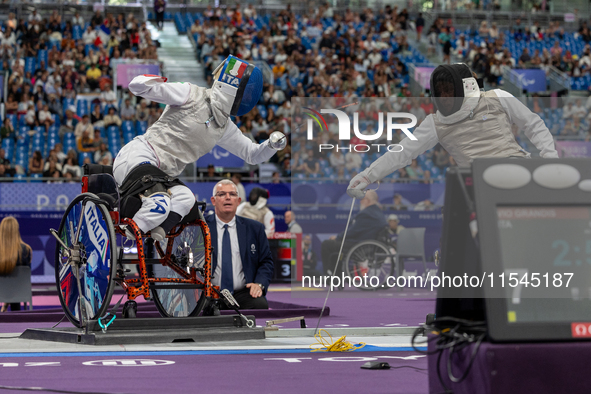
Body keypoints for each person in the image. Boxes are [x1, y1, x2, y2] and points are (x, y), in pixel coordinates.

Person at [113, 56, 284, 242]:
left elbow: (252, 154)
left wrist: (272, 145)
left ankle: (156, 233)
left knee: (186, 198)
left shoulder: (223, 127)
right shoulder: (190, 94)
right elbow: (136, 86)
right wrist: (151, 81)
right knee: (160, 203)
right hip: (139, 158)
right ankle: (127, 234)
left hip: (160, 178)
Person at [347, 63, 559, 198]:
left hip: (517, 169)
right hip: (479, 185)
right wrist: (367, 176)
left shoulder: (497, 97)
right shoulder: (435, 123)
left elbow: (533, 124)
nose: (444, 98)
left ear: (463, 88)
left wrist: (550, 159)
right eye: (439, 93)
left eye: (449, 91)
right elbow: (403, 152)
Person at [205, 179, 274, 310]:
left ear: (238, 201)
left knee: (260, 305)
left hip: (242, 292)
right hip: (208, 292)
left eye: (232, 194)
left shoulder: (255, 228)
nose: (227, 198)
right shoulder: (200, 227)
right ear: (213, 201)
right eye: (221, 194)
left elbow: (266, 262)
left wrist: (259, 284)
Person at [321, 190, 387, 275]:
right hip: (368, 245)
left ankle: (328, 275)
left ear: (367, 200)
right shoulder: (378, 213)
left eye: (362, 199)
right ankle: (336, 275)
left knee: (327, 244)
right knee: (337, 249)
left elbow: (353, 232)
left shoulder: (366, 214)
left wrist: (337, 237)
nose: (360, 201)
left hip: (360, 246)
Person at [0, 217, 32, 312]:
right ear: (16, 231)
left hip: (2, 292)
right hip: (19, 292)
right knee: (16, 281)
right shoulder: (26, 250)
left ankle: (5, 306)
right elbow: (24, 278)